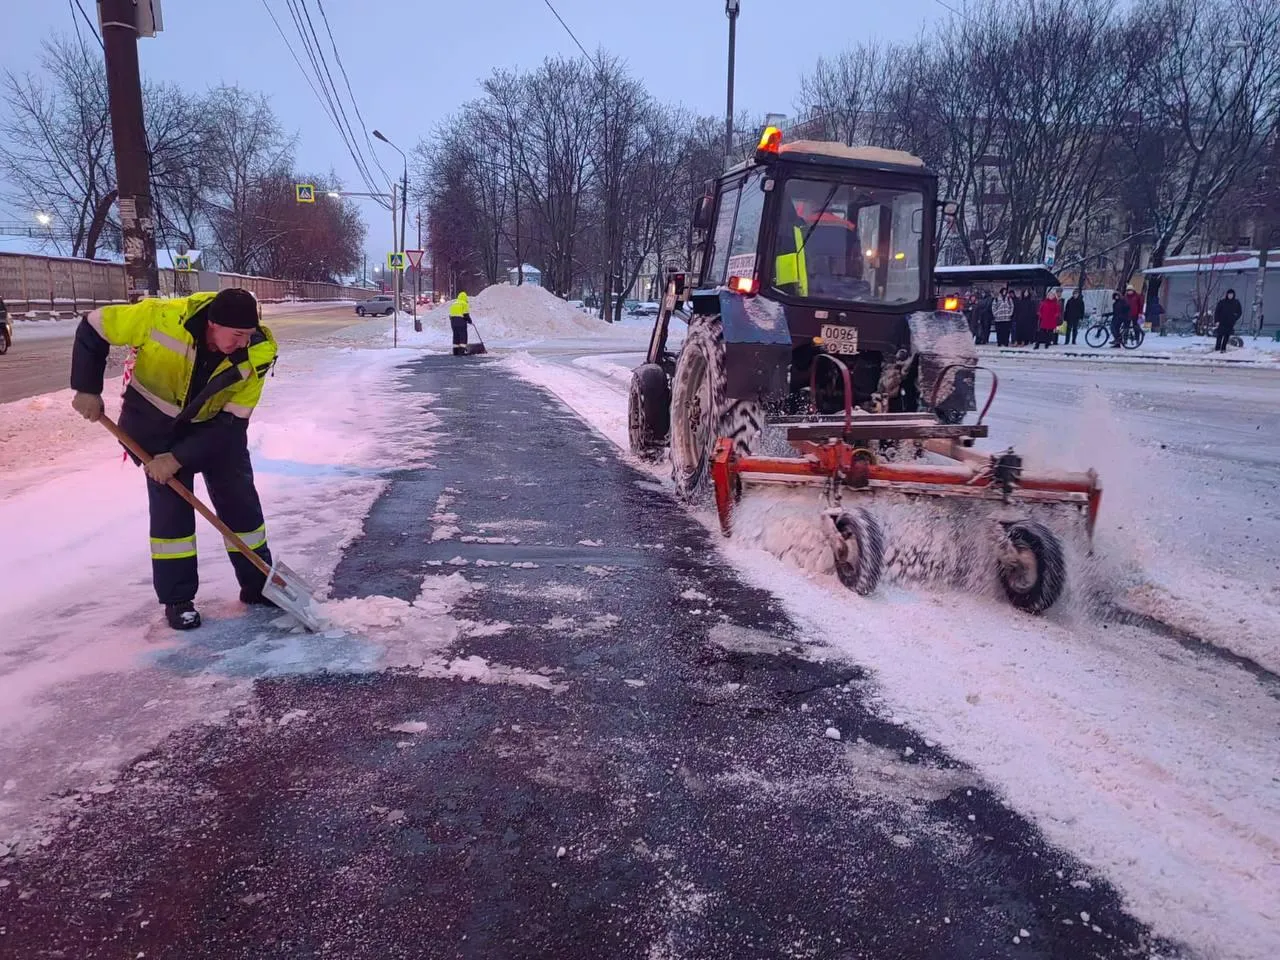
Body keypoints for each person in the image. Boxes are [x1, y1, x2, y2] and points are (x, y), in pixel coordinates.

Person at [69, 289, 278, 631]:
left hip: (216, 431)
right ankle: (178, 600)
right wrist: (86, 387)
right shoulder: (160, 317)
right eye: (236, 335)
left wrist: (179, 458)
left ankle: (258, 585)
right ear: (213, 323)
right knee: (172, 517)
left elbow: (232, 423)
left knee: (242, 507)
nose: (242, 342)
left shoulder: (258, 352)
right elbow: (93, 326)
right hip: (155, 426)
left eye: (247, 335)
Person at [449, 291, 471, 356]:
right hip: (461, 321)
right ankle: (462, 351)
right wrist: (470, 321)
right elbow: (465, 314)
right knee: (463, 336)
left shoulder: (454, 304)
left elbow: (450, 315)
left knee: (456, 336)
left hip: (453, 322)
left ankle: (455, 351)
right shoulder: (464, 304)